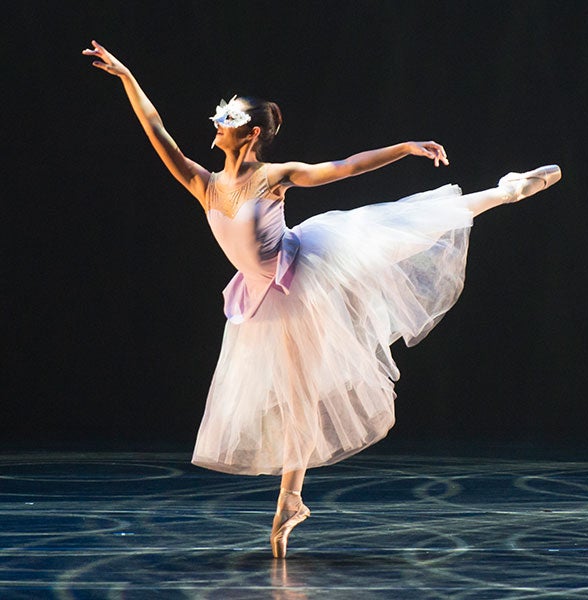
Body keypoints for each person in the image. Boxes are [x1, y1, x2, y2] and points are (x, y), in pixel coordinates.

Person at [83, 40, 561, 558]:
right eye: (219, 113)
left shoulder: (273, 177)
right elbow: (157, 130)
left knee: (406, 229)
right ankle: (291, 500)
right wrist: (129, 75)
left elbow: (345, 167)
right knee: (296, 396)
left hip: (303, 272)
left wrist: (405, 147)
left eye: (229, 115)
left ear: (253, 131)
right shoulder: (203, 182)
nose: (217, 120)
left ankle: (506, 191)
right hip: (261, 297)